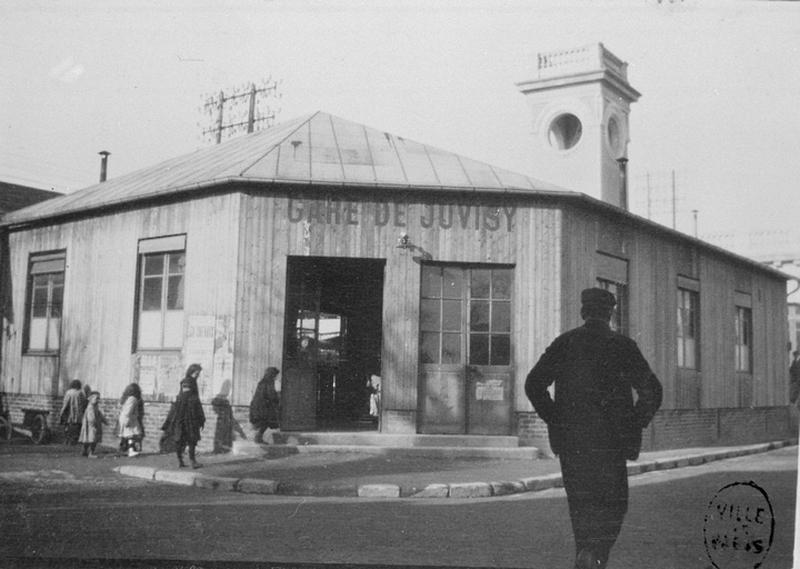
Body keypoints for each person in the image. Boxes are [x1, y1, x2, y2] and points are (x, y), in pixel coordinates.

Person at [525, 287, 663, 569]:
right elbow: (653, 391)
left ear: (583, 312)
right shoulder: (623, 346)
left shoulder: (564, 343)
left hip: (573, 443)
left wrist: (556, 418)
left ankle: (586, 554)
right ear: (610, 314)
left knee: (581, 508)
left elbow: (533, 384)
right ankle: (595, 555)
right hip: (612, 444)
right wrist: (634, 423)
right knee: (613, 506)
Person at [163, 372, 205, 468]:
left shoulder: (184, 388)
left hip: (182, 416)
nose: (197, 375)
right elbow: (188, 397)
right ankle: (190, 461)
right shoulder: (188, 382)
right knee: (190, 439)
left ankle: (182, 461)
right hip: (188, 416)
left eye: (198, 374)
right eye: (196, 373)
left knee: (183, 439)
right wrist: (200, 416)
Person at [249, 367, 280, 444]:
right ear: (272, 375)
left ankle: (259, 438)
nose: (276, 377)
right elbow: (271, 395)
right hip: (263, 406)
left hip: (258, 405)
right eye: (276, 375)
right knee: (266, 421)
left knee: (265, 422)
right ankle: (258, 438)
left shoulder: (262, 382)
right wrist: (277, 398)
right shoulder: (269, 382)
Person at [117, 383, 144, 457]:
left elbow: (120, 407)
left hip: (125, 417)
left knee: (127, 435)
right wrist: (127, 419)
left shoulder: (125, 398)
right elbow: (128, 410)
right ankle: (131, 450)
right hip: (129, 418)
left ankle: (124, 449)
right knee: (131, 435)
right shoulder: (133, 399)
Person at [78, 391, 107, 458]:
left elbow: (99, 414)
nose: (98, 400)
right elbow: (91, 417)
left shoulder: (95, 406)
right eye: (96, 398)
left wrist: (104, 421)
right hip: (91, 426)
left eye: (98, 398)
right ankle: (90, 452)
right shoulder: (90, 407)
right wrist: (94, 423)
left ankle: (85, 451)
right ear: (91, 398)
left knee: (90, 439)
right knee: (92, 439)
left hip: (92, 425)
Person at [60, 380, 86, 446]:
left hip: (69, 413)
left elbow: (65, 403)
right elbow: (84, 403)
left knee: (68, 426)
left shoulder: (68, 392)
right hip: (78, 413)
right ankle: (74, 441)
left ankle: (67, 440)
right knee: (76, 427)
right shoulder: (80, 393)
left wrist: (62, 412)